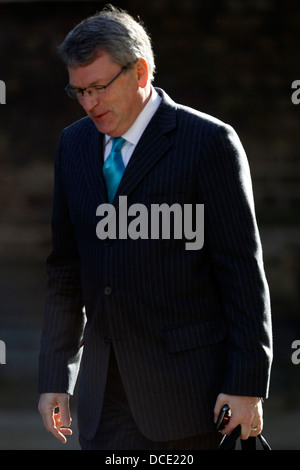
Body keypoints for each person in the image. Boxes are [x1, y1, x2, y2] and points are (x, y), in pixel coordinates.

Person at [38, 5, 272, 450]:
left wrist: (246, 385)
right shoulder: (73, 145)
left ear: (140, 72)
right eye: (79, 91)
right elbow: (66, 269)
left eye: (99, 88)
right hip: (101, 401)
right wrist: (55, 376)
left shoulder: (209, 143)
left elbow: (241, 270)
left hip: (191, 399)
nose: (89, 104)